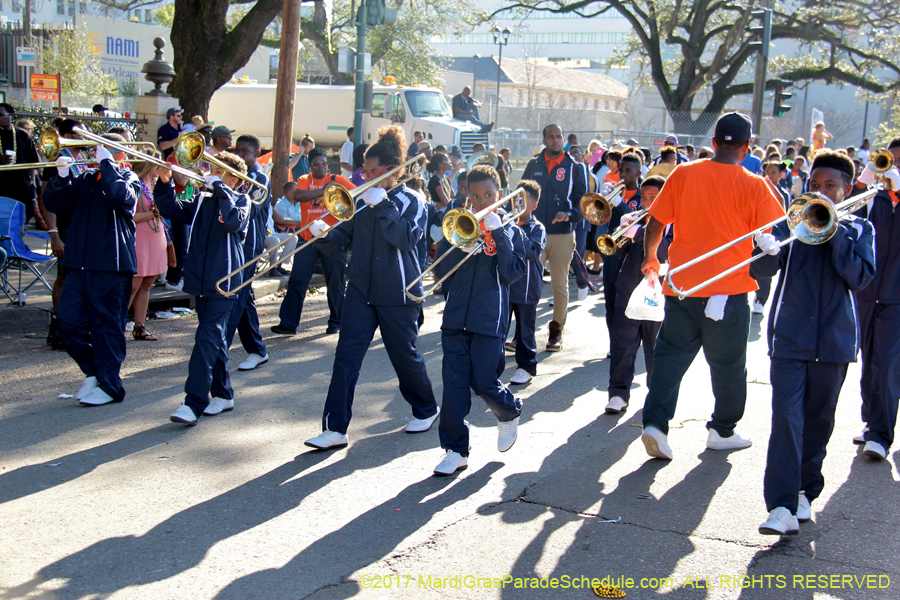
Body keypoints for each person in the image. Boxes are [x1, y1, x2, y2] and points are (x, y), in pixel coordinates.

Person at [639, 112, 786, 460]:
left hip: (682, 287)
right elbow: (776, 239)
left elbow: (655, 224)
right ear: (748, 147)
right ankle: (722, 430)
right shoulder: (755, 184)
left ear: (714, 142)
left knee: (669, 359)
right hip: (729, 292)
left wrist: (651, 259)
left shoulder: (684, 173)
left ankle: (655, 424)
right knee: (729, 366)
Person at [750, 150, 875, 535]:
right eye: (815, 185)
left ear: (847, 189)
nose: (821, 192)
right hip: (789, 339)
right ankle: (782, 506)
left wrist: (833, 231)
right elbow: (759, 271)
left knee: (818, 422)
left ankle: (805, 490)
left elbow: (859, 278)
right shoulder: (793, 223)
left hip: (835, 342)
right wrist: (765, 249)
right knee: (786, 419)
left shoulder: (859, 230)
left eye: (830, 186)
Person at [303, 125, 439, 450]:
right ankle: (335, 428)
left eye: (372, 172)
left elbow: (405, 239)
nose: (365, 177)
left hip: (399, 293)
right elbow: (342, 242)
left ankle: (426, 407)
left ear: (391, 171)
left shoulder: (413, 200)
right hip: (361, 292)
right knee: (345, 358)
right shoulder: (362, 201)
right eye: (364, 171)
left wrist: (383, 206)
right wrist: (324, 234)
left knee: (403, 356)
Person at [432, 165, 526, 475]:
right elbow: (442, 272)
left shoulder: (511, 231)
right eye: (475, 196)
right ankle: (455, 450)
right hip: (456, 317)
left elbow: (512, 273)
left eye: (489, 194)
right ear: (467, 197)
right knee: (454, 386)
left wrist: (497, 232)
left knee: (485, 382)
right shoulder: (459, 225)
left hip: (489, 319)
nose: (482, 200)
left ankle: (509, 411)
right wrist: (462, 243)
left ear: (500, 194)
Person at [43, 133, 140, 406]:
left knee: (107, 327)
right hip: (78, 264)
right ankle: (94, 371)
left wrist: (108, 166)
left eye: (104, 151)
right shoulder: (84, 179)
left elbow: (119, 197)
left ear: (119, 154)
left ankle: (111, 386)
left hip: (111, 265)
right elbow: (55, 204)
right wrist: (61, 176)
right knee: (67, 323)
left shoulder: (128, 178)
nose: (95, 155)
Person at [155, 152, 251, 425]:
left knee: (206, 337)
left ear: (234, 177)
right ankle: (223, 394)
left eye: (219, 171)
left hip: (225, 283)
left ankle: (193, 402)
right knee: (215, 339)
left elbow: (232, 221)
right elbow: (170, 210)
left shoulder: (242, 200)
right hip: (199, 280)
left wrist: (220, 189)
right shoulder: (201, 200)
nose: (210, 173)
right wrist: (164, 183)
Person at [851, 138, 900, 461]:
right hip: (867, 292)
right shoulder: (874, 196)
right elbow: (844, 213)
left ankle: (881, 434)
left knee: (886, 363)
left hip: (897, 298)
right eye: (890, 160)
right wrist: (864, 180)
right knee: (869, 361)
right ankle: (872, 423)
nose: (894, 167)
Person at [605, 176, 670, 414]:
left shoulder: (675, 224)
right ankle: (618, 394)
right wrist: (622, 231)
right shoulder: (635, 220)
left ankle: (657, 396)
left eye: (653, 198)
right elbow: (615, 251)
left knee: (657, 349)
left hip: (659, 293)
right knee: (623, 344)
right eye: (643, 197)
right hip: (629, 288)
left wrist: (641, 233)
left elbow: (667, 250)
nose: (646, 202)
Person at [521, 124, 587, 351]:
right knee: (528, 284)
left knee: (559, 285)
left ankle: (556, 332)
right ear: (545, 140)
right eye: (551, 137)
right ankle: (523, 333)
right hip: (534, 234)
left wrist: (569, 214)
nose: (556, 140)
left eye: (559, 136)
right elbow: (521, 195)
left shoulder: (576, 168)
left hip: (563, 235)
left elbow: (583, 203)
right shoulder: (533, 164)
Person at [272, 147, 348, 336]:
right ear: (309, 165)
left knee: (335, 281)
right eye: (316, 164)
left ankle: (337, 322)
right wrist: (325, 192)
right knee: (297, 280)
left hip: (331, 237)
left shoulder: (337, 180)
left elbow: (355, 196)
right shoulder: (304, 180)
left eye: (324, 163)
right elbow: (298, 196)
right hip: (307, 237)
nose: (321, 167)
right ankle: (289, 324)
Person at [40, 118, 88, 351]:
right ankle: (57, 327)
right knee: (64, 277)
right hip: (64, 227)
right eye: (82, 133)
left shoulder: (83, 158)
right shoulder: (59, 158)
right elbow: (47, 200)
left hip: (81, 227)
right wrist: (54, 234)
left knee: (78, 278)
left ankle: (74, 326)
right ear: (70, 134)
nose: (86, 137)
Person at [226, 134, 272, 371]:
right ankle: (256, 349)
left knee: (236, 296)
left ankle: (220, 347)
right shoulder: (233, 176)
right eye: (238, 150)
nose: (240, 155)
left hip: (249, 245)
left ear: (257, 153)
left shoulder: (259, 179)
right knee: (243, 298)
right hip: (233, 243)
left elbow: (249, 208)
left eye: (245, 151)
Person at [601, 151, 644, 352]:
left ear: (638, 172)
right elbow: (598, 219)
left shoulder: (643, 195)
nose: (623, 175)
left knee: (630, 296)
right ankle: (613, 339)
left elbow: (639, 222)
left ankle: (633, 338)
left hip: (634, 254)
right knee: (610, 295)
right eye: (622, 170)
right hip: (612, 251)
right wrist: (602, 201)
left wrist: (619, 204)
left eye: (629, 171)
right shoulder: (614, 192)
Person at [506, 179, 546, 386]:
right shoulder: (504, 222)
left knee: (525, 330)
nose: (517, 204)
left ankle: (526, 366)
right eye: (515, 199)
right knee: (498, 329)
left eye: (523, 201)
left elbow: (532, 251)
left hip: (526, 288)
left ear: (534, 206)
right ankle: (491, 368)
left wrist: (513, 230)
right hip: (505, 287)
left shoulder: (536, 227)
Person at [129, 151, 169, 341]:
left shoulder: (154, 184)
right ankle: (115, 326)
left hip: (155, 236)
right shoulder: (135, 182)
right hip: (140, 237)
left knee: (146, 285)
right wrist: (154, 212)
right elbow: (130, 216)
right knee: (133, 285)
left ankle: (139, 326)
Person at [751, 160, 792, 316]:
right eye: (767, 172)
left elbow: (784, 215)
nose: (769, 175)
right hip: (758, 230)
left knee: (767, 263)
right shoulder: (759, 188)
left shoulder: (783, 194)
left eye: (773, 172)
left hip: (774, 232)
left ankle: (761, 299)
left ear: (781, 174)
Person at [0, 103, 40, 222]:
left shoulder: (23, 135)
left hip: (21, 187)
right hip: (1, 188)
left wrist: (32, 185)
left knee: (20, 224)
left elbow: (32, 162)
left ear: (11, 115)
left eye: (0, 115)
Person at [269, 181, 300, 273]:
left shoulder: (299, 204)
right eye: (296, 190)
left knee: (294, 238)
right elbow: (281, 222)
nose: (299, 192)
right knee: (276, 240)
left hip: (301, 228)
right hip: (288, 229)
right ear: (289, 193)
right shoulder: (281, 204)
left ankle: (280, 265)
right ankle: (273, 267)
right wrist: (302, 223)